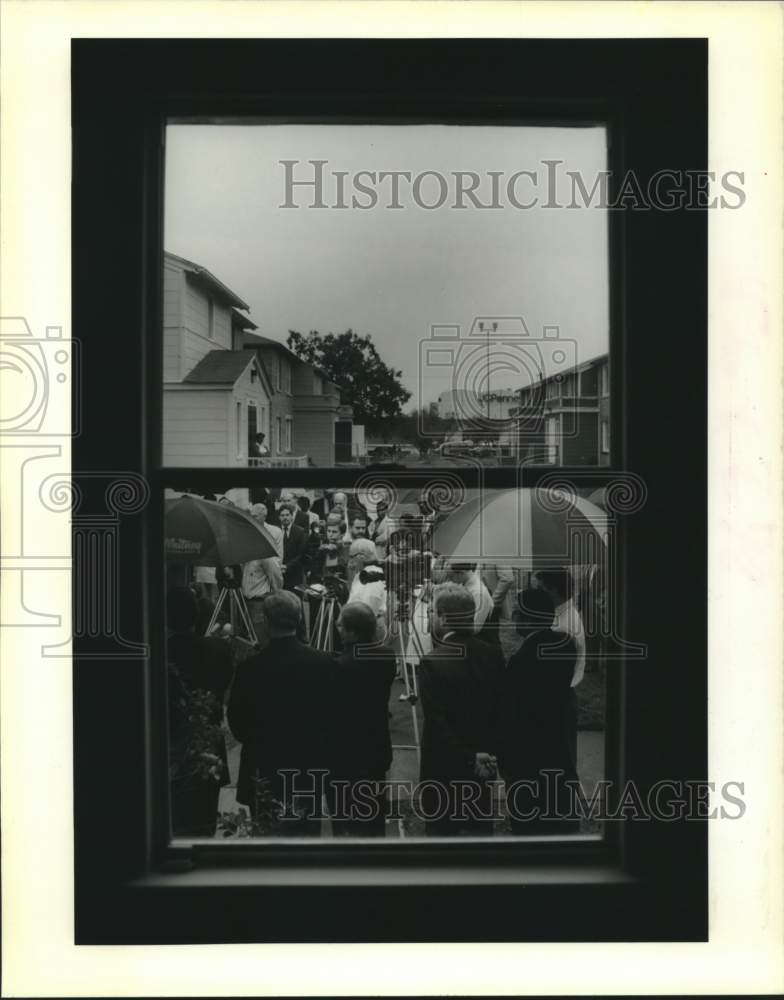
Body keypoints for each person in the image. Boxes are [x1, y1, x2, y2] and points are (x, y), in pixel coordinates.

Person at [227, 591, 334, 836]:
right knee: (306, 838)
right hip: (307, 767)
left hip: (263, 766)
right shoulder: (324, 662)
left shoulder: (250, 667)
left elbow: (237, 723)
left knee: (266, 842)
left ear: (266, 620)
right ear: (298, 619)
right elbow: (334, 716)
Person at [418, 584, 506, 837]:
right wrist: (487, 753)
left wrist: (469, 757)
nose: (432, 617)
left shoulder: (432, 662)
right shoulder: (493, 654)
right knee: (479, 834)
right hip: (484, 765)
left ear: (444, 617)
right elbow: (502, 709)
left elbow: (436, 722)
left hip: (444, 767)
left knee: (442, 835)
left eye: (433, 612)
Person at [500, 587, 580, 835]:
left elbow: (512, 714)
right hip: (559, 749)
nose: (513, 619)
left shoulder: (522, 660)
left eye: (516, 614)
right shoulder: (567, 644)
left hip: (529, 757)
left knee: (530, 823)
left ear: (528, 618)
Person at [167, 586, 233, 837]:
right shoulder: (218, 649)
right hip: (210, 744)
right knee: (205, 821)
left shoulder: (163, 652)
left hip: (174, 744)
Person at [329, 602, 397, 837]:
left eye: (341, 624)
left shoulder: (339, 666)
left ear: (352, 631)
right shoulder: (388, 656)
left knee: (346, 818)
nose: (337, 627)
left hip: (346, 752)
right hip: (377, 745)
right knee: (374, 813)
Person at [242, 503, 283, 646]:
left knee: (261, 641)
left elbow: (276, 575)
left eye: (254, 516)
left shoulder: (265, 551)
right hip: (247, 601)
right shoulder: (248, 550)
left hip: (260, 602)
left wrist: (275, 595)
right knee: (250, 640)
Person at [432, 560, 494, 633]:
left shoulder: (479, 593)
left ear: (461, 573)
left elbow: (475, 628)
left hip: (479, 640)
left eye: (451, 576)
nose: (450, 580)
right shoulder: (464, 582)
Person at [346, 538, 387, 640]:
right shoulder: (361, 573)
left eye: (351, 556)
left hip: (368, 629)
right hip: (360, 626)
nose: (349, 561)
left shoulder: (372, 575)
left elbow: (370, 607)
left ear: (362, 556)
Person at [279, 502, 307, 590]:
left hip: (295, 574)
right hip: (279, 574)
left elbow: (301, 555)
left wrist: (287, 566)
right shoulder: (276, 531)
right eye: (282, 515)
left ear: (292, 516)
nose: (285, 517)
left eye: (287, 515)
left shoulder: (300, 532)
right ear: (279, 517)